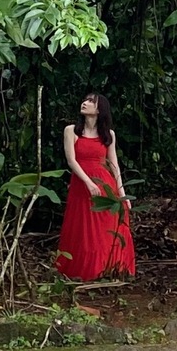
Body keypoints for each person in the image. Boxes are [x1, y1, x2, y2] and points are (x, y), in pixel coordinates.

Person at [55, 91, 136, 281]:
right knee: (83, 229)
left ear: (100, 109)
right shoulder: (71, 131)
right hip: (82, 185)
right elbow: (71, 161)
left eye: (91, 101)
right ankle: (85, 272)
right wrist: (88, 182)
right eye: (85, 100)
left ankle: (110, 269)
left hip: (105, 186)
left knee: (107, 228)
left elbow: (114, 165)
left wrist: (122, 194)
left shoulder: (108, 135)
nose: (85, 103)